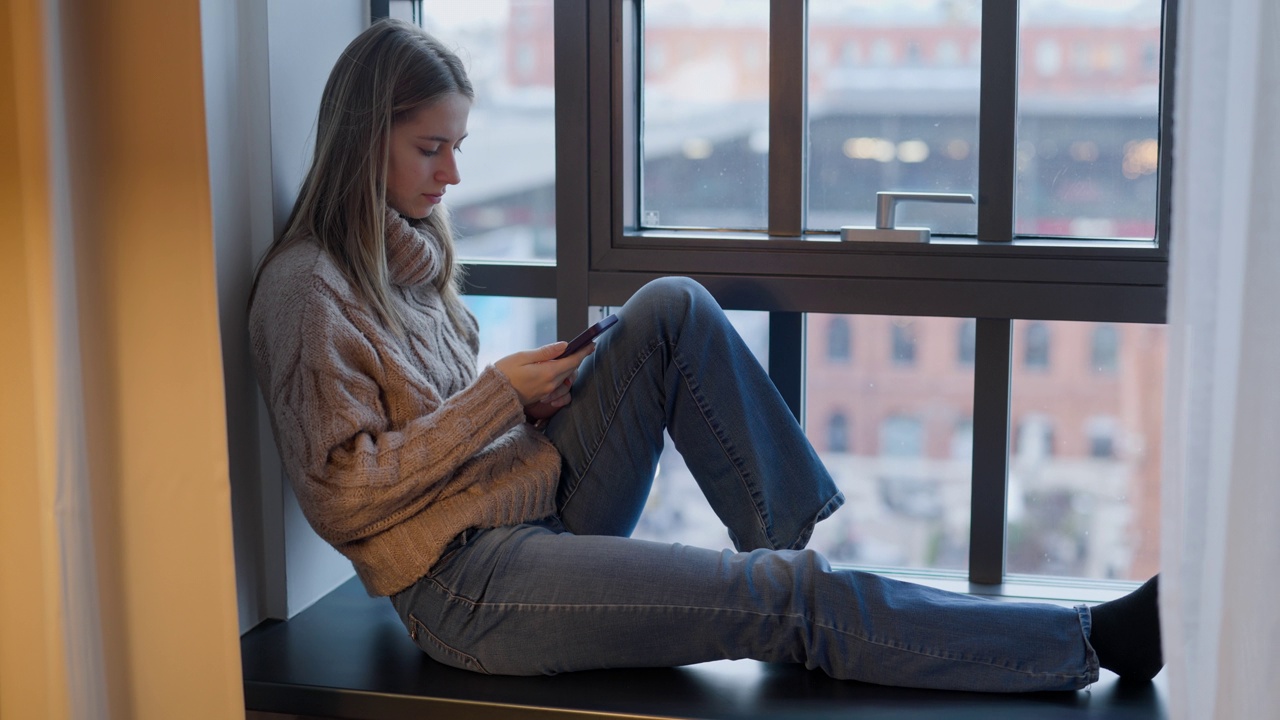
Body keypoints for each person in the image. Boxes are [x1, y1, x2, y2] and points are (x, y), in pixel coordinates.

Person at [248, 18, 1162, 692]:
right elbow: (340, 494)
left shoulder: (411, 255)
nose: (452, 175)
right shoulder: (304, 291)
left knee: (669, 307)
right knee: (783, 600)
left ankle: (795, 565)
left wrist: (523, 405)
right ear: (364, 139)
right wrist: (493, 400)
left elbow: (444, 431)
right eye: (431, 149)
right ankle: (1082, 641)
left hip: (527, 499)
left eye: (458, 147)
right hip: (462, 587)